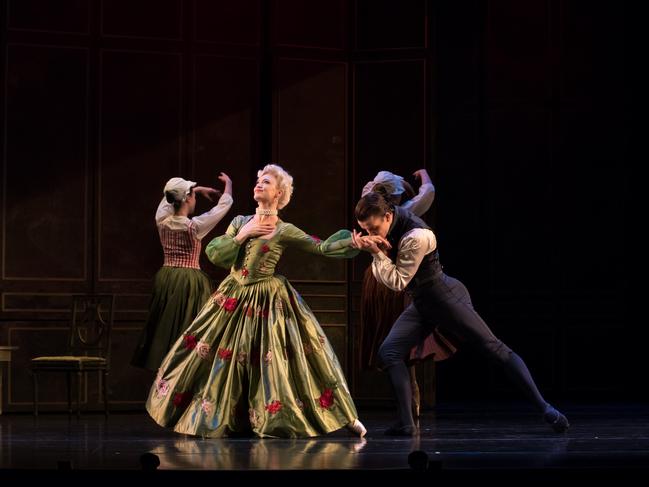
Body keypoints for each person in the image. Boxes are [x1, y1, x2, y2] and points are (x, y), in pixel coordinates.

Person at [146, 164, 366, 438]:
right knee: (216, 359)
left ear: (279, 193)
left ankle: (343, 416)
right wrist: (244, 234)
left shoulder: (284, 229)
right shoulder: (240, 221)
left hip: (268, 299)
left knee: (280, 362)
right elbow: (216, 254)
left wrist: (353, 244)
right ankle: (213, 416)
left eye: (267, 182)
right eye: (258, 180)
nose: (259, 184)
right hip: (233, 295)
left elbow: (319, 246)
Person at [351, 186, 569, 436]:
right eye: (366, 230)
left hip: (445, 298)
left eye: (373, 229)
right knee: (389, 352)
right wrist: (372, 247)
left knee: (494, 348)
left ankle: (546, 408)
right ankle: (406, 424)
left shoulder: (417, 235)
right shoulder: (391, 220)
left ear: (388, 216)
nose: (370, 234)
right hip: (422, 303)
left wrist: (376, 253)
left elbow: (398, 282)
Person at [358, 169, 456, 422]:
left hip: (377, 279)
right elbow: (429, 191)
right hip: (394, 281)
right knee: (402, 344)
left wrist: (391, 182)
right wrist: (423, 174)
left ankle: (407, 405)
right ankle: (410, 401)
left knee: (393, 340)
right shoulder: (409, 210)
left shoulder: (366, 202)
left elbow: (372, 185)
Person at [131, 174, 233, 371]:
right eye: (192, 194)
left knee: (167, 327)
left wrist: (197, 190)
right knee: (188, 327)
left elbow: (167, 198)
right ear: (187, 198)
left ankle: (166, 375)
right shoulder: (195, 226)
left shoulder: (161, 220)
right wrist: (228, 186)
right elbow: (222, 207)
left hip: (167, 277)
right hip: (189, 280)